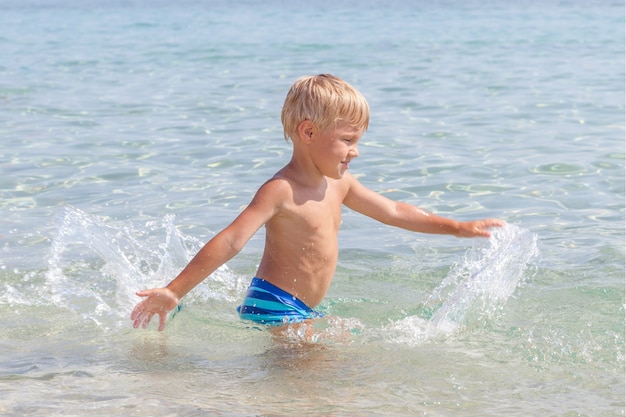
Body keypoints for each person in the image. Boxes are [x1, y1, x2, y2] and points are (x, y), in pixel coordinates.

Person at [130, 74, 504, 332]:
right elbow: (231, 241)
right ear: (308, 132)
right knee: (320, 374)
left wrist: (457, 228)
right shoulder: (280, 190)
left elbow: (393, 212)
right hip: (274, 306)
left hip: (300, 308)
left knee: (327, 362)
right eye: (347, 140)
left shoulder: (339, 184)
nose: (355, 151)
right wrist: (175, 290)